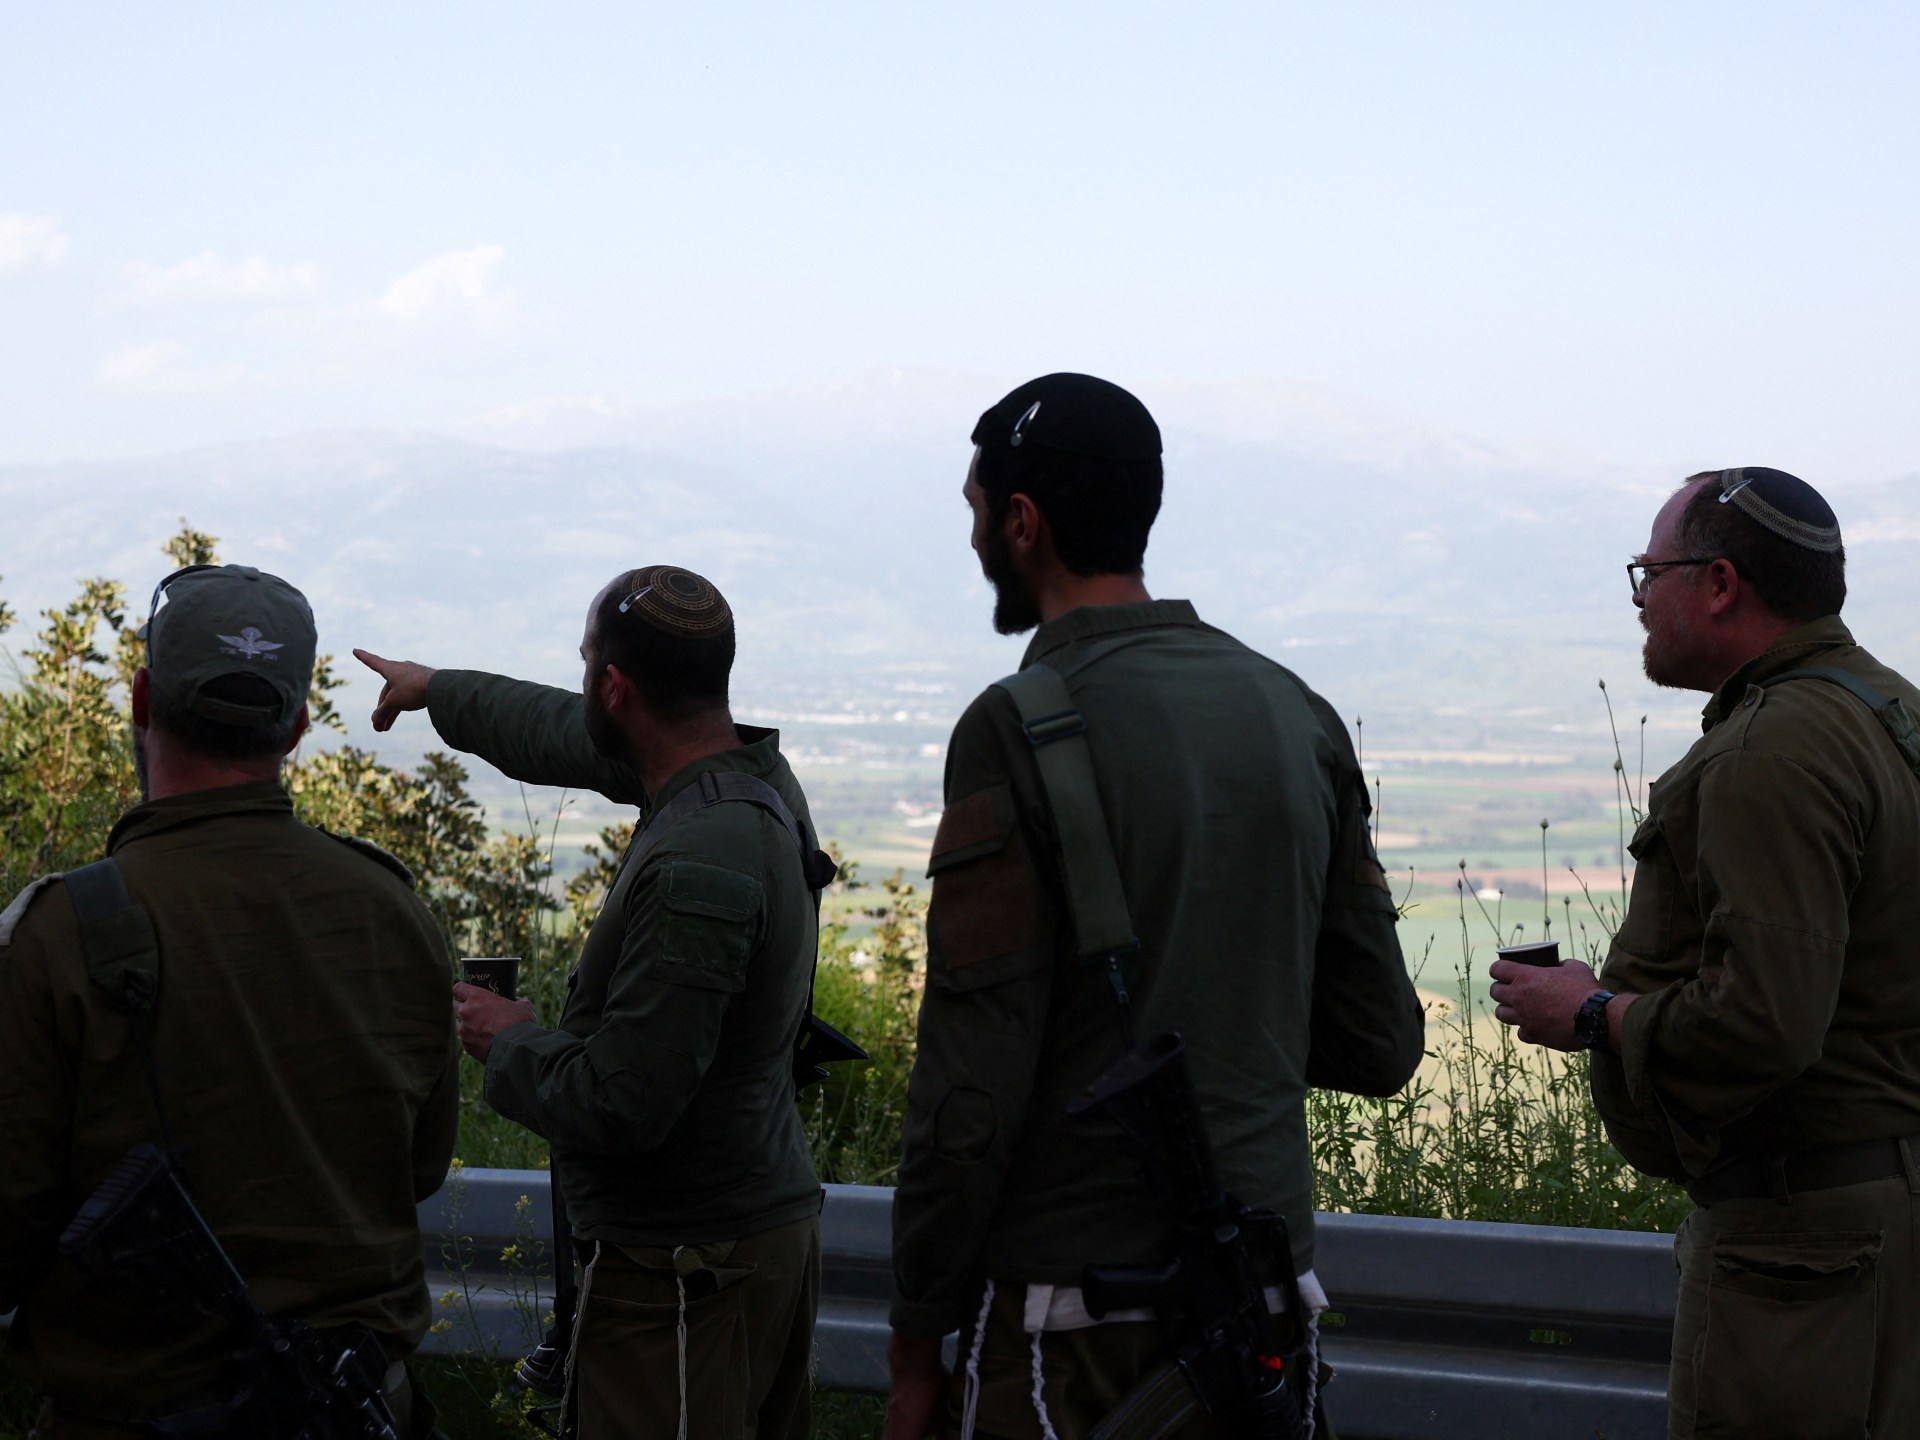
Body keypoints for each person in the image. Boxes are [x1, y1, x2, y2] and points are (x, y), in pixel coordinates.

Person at [884, 374, 1427, 1440]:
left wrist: (914, 1337)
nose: (977, 538)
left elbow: (971, 1081)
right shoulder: (1293, 709)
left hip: (1070, 1323)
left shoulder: (1016, 725)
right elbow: (1379, 1043)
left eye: (976, 511)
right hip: (1265, 1310)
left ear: (1024, 523)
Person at [1490, 468, 1920, 1439]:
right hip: (1878, 1219)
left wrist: (1592, 1012)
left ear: (1720, 584)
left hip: (1801, 1246)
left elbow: (1764, 1019)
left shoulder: (1770, 751)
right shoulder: (1889, 713)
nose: (1642, 600)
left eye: (1652, 572)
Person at [355, 564, 823, 1440]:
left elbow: (626, 1102)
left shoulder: (700, 862)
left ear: (614, 687)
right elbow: (554, 732)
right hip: (740, 1241)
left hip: (688, 1270)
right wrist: (437, 692)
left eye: (585, 667)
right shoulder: (739, 778)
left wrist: (514, 1040)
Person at [0, 563, 458, 1437]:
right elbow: (418, 1170)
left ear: (140, 699)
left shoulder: (60, 935)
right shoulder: (394, 912)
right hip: (363, 1416)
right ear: (296, 724)